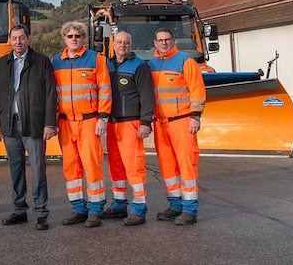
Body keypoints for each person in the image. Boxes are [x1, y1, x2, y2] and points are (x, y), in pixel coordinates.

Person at [0, 24, 57, 230]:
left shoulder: (42, 62)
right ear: (9, 40)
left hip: (34, 124)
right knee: (16, 169)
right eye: (14, 38)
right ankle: (19, 210)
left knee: (38, 170)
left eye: (21, 38)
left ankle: (40, 212)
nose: (17, 42)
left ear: (28, 39)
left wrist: (49, 124)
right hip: (10, 125)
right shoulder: (2, 63)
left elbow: (50, 95)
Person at [51, 21, 112, 228]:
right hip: (65, 123)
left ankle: (95, 210)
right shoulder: (56, 61)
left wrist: (103, 117)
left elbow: (105, 88)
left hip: (89, 121)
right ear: (64, 39)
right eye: (70, 36)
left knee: (92, 165)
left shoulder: (95, 59)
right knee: (71, 168)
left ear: (84, 38)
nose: (74, 39)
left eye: (78, 36)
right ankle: (78, 209)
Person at [148, 27, 206, 226]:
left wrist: (195, 116)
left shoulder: (185, 62)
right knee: (168, 166)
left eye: (167, 39)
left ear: (173, 41)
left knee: (186, 164)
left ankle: (190, 209)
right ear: (154, 43)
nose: (164, 43)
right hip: (161, 124)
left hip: (181, 121)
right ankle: (175, 205)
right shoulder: (152, 65)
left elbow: (197, 90)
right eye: (160, 40)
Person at [103, 31, 155, 226]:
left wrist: (145, 122)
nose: (122, 45)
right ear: (113, 44)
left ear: (130, 44)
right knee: (115, 167)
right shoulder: (106, 65)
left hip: (131, 123)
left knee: (134, 166)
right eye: (119, 42)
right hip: (112, 123)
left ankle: (139, 210)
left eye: (126, 42)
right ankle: (118, 205)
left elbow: (147, 96)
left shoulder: (140, 66)